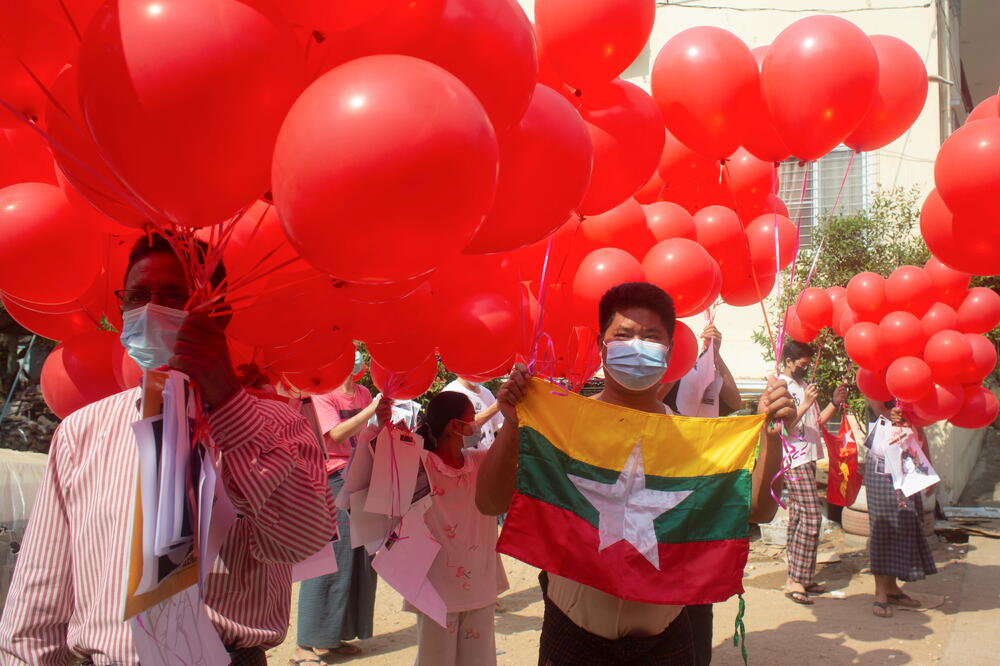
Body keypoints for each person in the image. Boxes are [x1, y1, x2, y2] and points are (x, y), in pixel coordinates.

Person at [0, 233, 336, 666]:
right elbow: (39, 593)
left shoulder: (279, 427)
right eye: (137, 296)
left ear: (220, 314)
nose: (152, 310)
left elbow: (302, 540)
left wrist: (228, 403)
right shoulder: (81, 432)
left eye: (175, 297)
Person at [475, 282, 795, 664]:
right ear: (601, 345)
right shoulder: (560, 426)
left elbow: (758, 511)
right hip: (573, 638)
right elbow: (488, 501)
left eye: (650, 337)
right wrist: (512, 424)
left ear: (670, 351)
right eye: (623, 335)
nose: (636, 345)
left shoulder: (692, 440)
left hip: (664, 641)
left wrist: (772, 438)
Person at [292, 364, 392, 664]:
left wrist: (382, 419)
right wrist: (371, 410)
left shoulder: (362, 392)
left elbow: (365, 435)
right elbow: (334, 434)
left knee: (360, 559)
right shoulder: (322, 393)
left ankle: (336, 636)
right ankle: (305, 644)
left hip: (362, 476)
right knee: (332, 557)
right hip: (333, 479)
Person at [660, 324, 742, 666]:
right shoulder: (657, 378)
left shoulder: (704, 373)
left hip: (699, 494)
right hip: (657, 491)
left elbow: (735, 403)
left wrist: (715, 355)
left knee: (696, 598)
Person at [407, 391, 507, 665]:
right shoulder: (421, 464)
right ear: (454, 426)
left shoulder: (480, 461)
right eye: (471, 419)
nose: (476, 424)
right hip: (436, 586)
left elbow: (511, 449)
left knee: (480, 657)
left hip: (479, 581)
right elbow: (384, 466)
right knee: (435, 658)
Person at [778, 341, 848, 605]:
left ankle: (800, 577)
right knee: (811, 518)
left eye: (807, 364)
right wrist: (805, 404)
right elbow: (782, 428)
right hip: (793, 459)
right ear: (788, 361)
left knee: (798, 517)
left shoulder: (803, 387)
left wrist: (834, 402)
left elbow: (815, 423)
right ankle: (796, 577)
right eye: (801, 364)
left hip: (808, 457)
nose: (805, 369)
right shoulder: (779, 386)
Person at [864, 400, 937, 618]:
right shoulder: (875, 388)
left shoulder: (913, 395)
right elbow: (876, 407)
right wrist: (891, 412)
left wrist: (929, 469)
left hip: (908, 468)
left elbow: (920, 430)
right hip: (882, 470)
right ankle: (880, 594)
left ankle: (893, 588)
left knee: (904, 524)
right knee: (882, 528)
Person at [443, 376, 503, 448]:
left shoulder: (487, 393)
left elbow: (500, 427)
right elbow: (462, 428)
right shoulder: (450, 393)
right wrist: (496, 406)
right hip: (465, 457)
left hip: (490, 457)